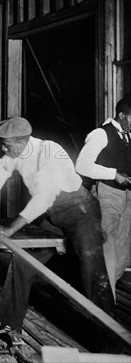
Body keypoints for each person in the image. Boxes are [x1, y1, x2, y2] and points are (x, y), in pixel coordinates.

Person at [0, 116, 115, 343]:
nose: (3, 149)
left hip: (80, 211)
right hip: (51, 213)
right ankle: (10, 324)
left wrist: (9, 229)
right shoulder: (16, 153)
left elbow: (43, 199)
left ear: (20, 142)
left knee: (93, 274)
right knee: (23, 260)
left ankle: (112, 340)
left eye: (6, 145)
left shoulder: (49, 153)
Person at [76, 97, 131, 297]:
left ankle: (106, 298)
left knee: (123, 254)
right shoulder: (100, 134)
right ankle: (106, 309)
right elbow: (81, 165)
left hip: (127, 199)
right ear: (122, 115)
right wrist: (114, 174)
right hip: (108, 195)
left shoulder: (128, 135)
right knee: (107, 250)